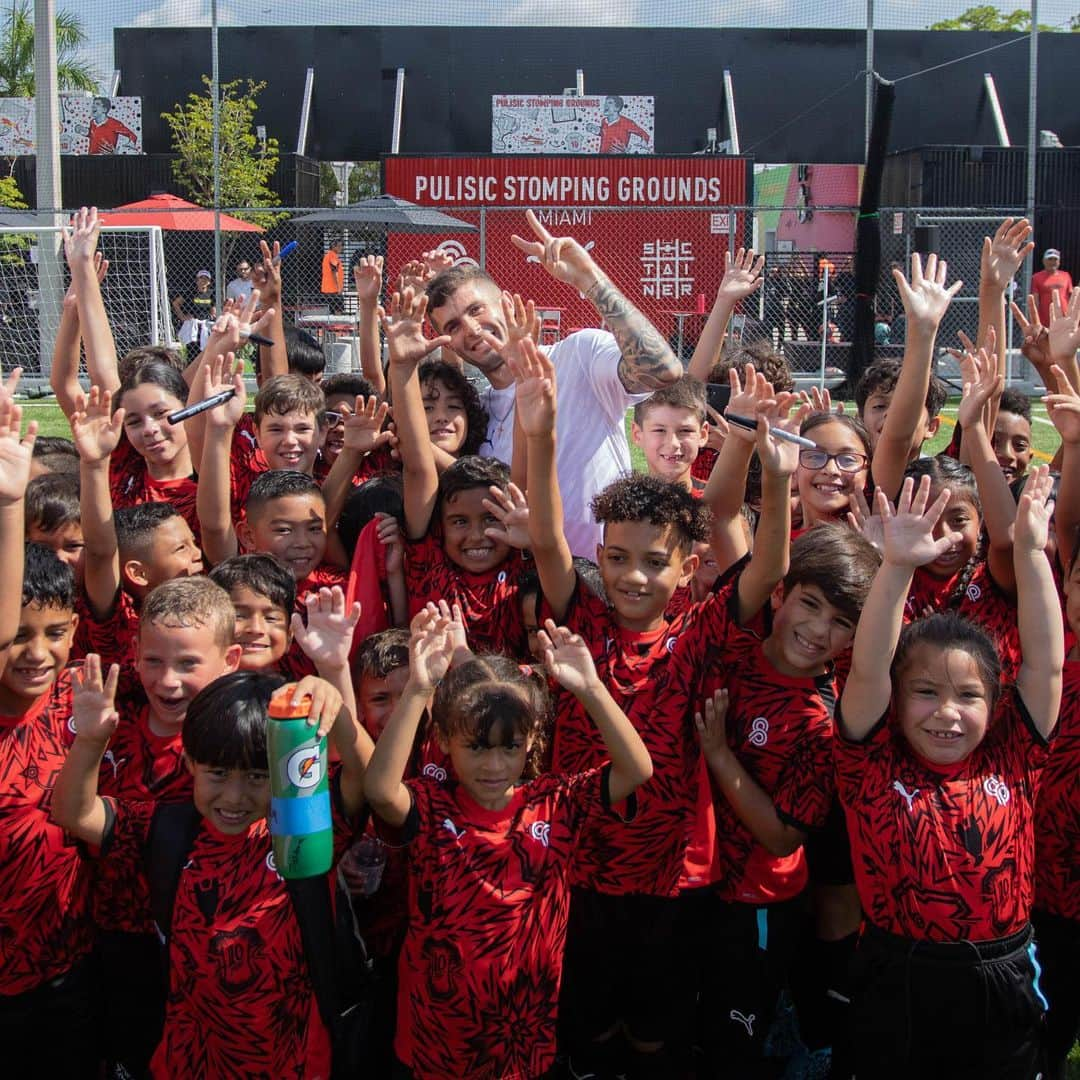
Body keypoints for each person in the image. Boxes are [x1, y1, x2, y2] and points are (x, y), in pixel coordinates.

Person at [836, 470, 1062, 1078]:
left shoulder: (1012, 756)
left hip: (1004, 971)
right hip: (899, 971)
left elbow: (1046, 664)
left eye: (967, 695)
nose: (946, 713)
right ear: (895, 697)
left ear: (996, 703)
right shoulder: (871, 761)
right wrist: (897, 569)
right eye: (925, 692)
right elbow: (866, 670)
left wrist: (1034, 554)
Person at [364, 603, 653, 1079]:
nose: (493, 766)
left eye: (508, 747)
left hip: (521, 1039)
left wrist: (591, 688)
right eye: (476, 746)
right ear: (444, 739)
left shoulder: (555, 802)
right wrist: (418, 689)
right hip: (434, 1040)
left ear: (531, 741)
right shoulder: (431, 807)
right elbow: (378, 790)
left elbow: (637, 769)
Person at [52, 653, 371, 1079]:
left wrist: (339, 710)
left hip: (293, 1061)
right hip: (189, 1059)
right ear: (190, 764)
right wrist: (90, 741)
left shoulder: (305, 826)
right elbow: (75, 814)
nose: (234, 797)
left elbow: (370, 779)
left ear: (283, 773)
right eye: (217, 773)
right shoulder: (165, 829)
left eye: (257, 777)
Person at [425, 209, 681, 556]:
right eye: (452, 326)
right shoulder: (476, 413)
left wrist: (589, 279)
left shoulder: (579, 354)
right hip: (529, 588)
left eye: (475, 310)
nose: (470, 329)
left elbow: (663, 370)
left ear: (505, 304)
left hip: (610, 578)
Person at [630, 376, 710, 494]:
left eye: (685, 431)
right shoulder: (617, 506)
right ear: (637, 435)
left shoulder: (716, 502)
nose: (673, 443)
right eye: (659, 430)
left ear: (702, 435)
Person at [172, 270, 216, 350]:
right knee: (192, 348)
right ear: (197, 280)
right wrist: (182, 317)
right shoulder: (191, 293)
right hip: (193, 324)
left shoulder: (212, 294)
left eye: (206, 279)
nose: (203, 280)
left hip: (206, 324)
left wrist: (212, 316)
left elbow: (213, 309)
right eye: (201, 278)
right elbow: (176, 303)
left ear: (209, 282)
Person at [1031, 247, 1073, 327]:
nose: (1052, 262)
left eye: (1055, 259)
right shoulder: (1036, 277)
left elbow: (1071, 297)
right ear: (1044, 261)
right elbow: (1035, 301)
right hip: (1045, 321)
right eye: (1050, 259)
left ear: (1059, 262)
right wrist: (1035, 320)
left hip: (1064, 319)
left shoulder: (1066, 276)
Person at [321, 237, 345, 314]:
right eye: (339, 246)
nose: (341, 248)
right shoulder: (332, 256)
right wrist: (339, 288)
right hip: (334, 289)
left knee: (332, 310)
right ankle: (337, 325)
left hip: (329, 289)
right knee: (338, 310)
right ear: (333, 247)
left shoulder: (328, 255)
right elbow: (334, 271)